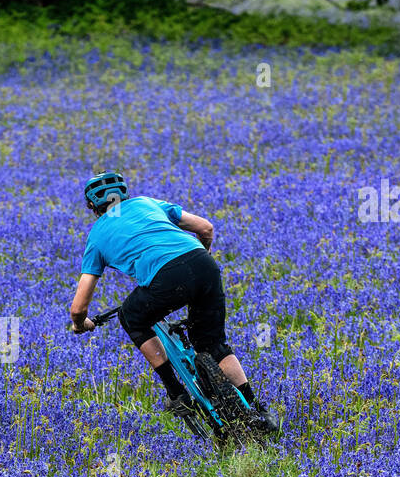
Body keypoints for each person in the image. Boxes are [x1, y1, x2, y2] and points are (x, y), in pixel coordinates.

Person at [68, 171, 280, 436]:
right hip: (203, 263)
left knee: (131, 315)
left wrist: (80, 324)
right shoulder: (147, 203)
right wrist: (200, 263)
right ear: (124, 192)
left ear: (91, 205)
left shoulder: (97, 236)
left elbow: (78, 307)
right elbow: (206, 228)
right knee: (212, 344)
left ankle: (176, 392)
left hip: (165, 279)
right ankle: (258, 410)